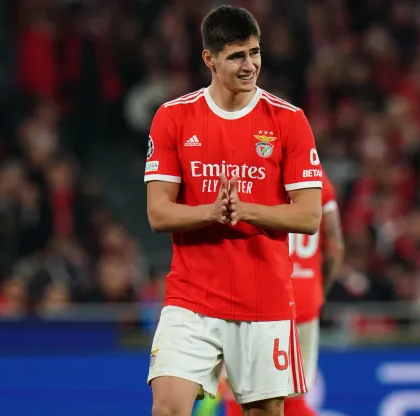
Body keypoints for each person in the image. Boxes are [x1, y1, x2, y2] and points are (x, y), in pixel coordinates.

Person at [144, 5, 323, 416]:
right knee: (167, 409)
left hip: (264, 299)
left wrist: (246, 211)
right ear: (209, 59)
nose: (250, 65)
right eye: (237, 56)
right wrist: (212, 212)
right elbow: (158, 214)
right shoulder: (173, 118)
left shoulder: (288, 121)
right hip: (191, 298)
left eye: (255, 52)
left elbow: (308, 217)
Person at [223, 172, 345, 416]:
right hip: (304, 302)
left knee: (243, 396)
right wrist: (318, 290)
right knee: (293, 397)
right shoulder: (318, 177)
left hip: (258, 299)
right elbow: (335, 246)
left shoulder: (255, 171)